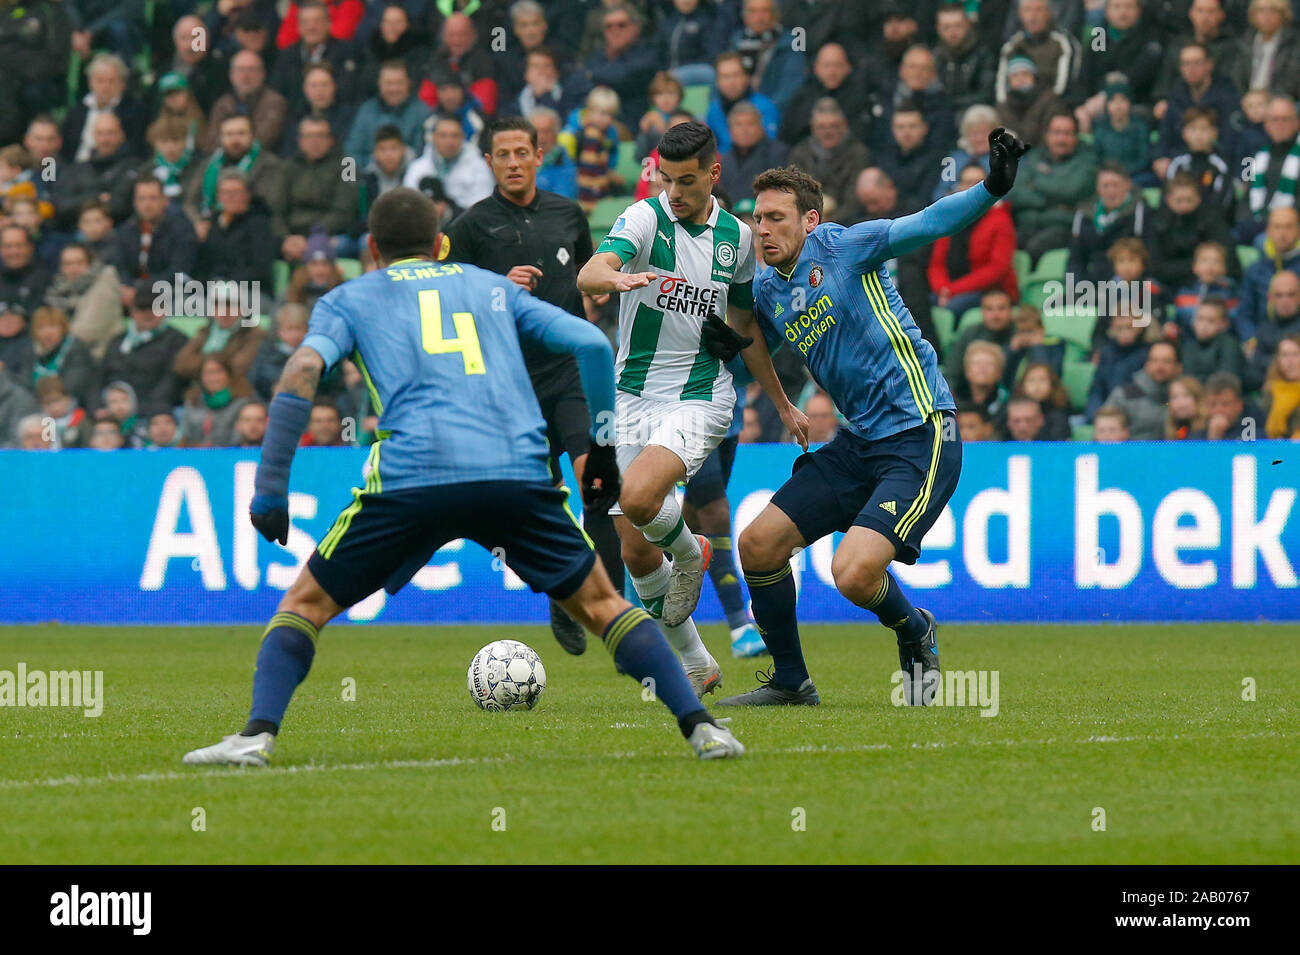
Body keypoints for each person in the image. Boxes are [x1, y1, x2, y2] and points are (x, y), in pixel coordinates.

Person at [182, 187, 744, 765]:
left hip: (411, 478)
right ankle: (703, 729)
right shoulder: (491, 287)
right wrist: (601, 455)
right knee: (604, 606)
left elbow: (302, 369)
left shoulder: (348, 299)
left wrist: (271, 486)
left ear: (372, 249)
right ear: (441, 244)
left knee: (304, 605)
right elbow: (589, 344)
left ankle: (255, 737)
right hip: (514, 474)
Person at [719, 126, 1028, 708]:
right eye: (758, 219)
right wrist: (772, 395)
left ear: (809, 221)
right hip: (855, 443)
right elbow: (744, 334)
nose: (763, 230)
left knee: (854, 573)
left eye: (777, 218)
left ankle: (916, 630)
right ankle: (791, 681)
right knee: (758, 545)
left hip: (920, 433)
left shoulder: (846, 247)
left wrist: (992, 187)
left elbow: (927, 224)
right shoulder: (763, 286)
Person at [577, 121, 808, 698]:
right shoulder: (643, 219)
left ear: (713, 174)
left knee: (638, 498)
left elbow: (745, 326)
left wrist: (780, 401)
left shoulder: (736, 237)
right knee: (633, 548)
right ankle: (698, 661)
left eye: (686, 181)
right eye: (665, 179)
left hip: (700, 395)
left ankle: (692, 551)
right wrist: (618, 277)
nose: (674, 192)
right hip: (631, 394)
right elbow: (590, 272)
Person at [438, 116, 624, 656]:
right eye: (504, 154)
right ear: (490, 162)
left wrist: (602, 290)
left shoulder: (568, 213)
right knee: (533, 505)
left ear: (539, 156)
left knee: (598, 483)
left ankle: (608, 604)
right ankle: (565, 594)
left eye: (524, 152)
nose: (515, 162)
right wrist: (495, 289)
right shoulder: (470, 227)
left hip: (568, 372)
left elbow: (589, 275)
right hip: (509, 384)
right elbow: (446, 305)